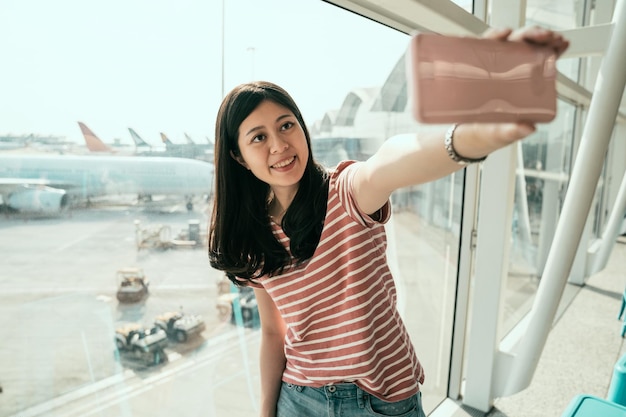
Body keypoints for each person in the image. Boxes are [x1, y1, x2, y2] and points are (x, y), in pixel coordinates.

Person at [208, 26, 569, 417]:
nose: (279, 144)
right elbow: (275, 332)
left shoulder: (344, 192)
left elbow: (389, 162)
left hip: (380, 400)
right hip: (299, 399)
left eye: (286, 125)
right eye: (258, 138)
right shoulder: (255, 238)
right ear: (239, 157)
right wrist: (266, 410)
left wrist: (468, 136)